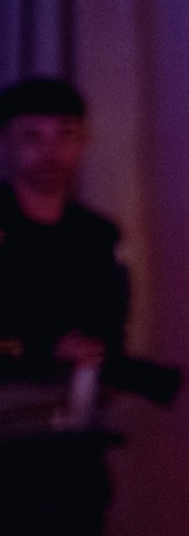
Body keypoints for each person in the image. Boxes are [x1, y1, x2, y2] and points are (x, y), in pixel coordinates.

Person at [0, 77, 179, 406]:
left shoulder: (97, 235)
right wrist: (43, 350)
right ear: (4, 143)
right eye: (31, 136)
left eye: (65, 135)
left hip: (74, 411)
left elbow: (109, 327)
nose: (51, 153)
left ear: (83, 142)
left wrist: (97, 358)